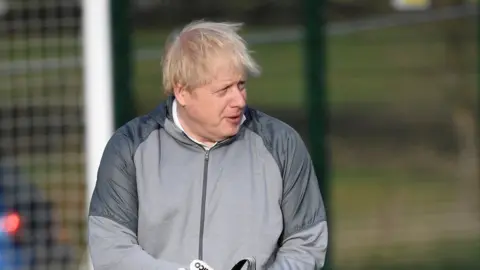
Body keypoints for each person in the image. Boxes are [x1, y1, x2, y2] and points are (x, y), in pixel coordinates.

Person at [88, 20, 328, 270]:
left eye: (241, 85)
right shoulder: (129, 147)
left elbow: (306, 243)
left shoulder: (282, 145)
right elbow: (110, 248)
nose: (239, 100)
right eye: (224, 89)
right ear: (182, 93)